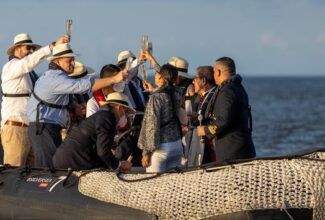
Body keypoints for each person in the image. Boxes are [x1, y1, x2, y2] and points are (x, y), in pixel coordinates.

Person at [27, 43, 128, 167]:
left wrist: (73, 109)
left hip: (48, 127)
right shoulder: (55, 78)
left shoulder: (55, 76)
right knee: (48, 170)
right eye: (69, 60)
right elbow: (82, 86)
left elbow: (55, 101)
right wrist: (113, 79)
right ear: (57, 61)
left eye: (73, 60)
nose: (73, 64)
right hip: (44, 128)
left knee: (52, 168)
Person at [1, 33, 69, 167]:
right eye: (28, 48)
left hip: (29, 128)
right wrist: (52, 46)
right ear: (17, 48)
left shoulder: (27, 72)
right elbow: (30, 61)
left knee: (31, 174)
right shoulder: (11, 67)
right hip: (16, 128)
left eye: (33, 49)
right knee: (13, 172)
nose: (31, 51)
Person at [52, 92, 133, 171]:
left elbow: (100, 150)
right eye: (126, 112)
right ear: (119, 108)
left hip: (66, 159)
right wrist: (119, 165)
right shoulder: (107, 119)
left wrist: (114, 164)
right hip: (72, 161)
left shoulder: (103, 116)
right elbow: (103, 152)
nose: (125, 116)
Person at [197, 57, 256, 162]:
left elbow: (223, 120)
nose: (214, 74)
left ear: (218, 72)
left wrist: (205, 130)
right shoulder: (238, 87)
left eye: (214, 71)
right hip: (241, 148)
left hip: (232, 152)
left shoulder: (227, 91)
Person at [138, 64, 183, 173]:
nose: (155, 76)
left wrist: (146, 153)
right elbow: (169, 83)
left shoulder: (156, 98)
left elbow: (152, 126)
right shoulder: (178, 93)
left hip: (161, 149)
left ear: (161, 78)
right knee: (172, 186)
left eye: (158, 74)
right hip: (177, 145)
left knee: (153, 186)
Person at [186, 66, 217, 164]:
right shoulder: (203, 95)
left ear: (203, 80)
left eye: (195, 78)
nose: (193, 82)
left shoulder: (215, 95)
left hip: (210, 146)